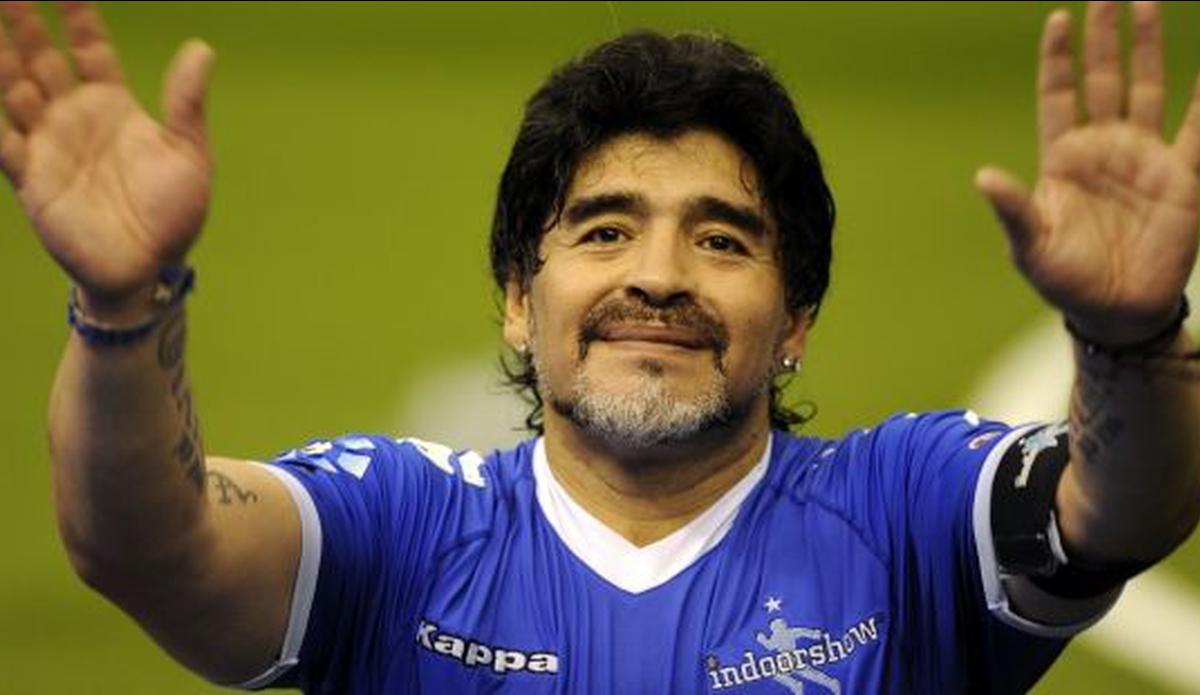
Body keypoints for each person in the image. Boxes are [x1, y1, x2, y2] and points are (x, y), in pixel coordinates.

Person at [2, 0, 1198, 692]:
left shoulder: (903, 511)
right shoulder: (400, 525)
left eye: (722, 239)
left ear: (794, 321)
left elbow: (1123, 506)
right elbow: (149, 544)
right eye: (605, 228)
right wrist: (124, 301)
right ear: (518, 300)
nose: (658, 276)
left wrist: (1130, 335)